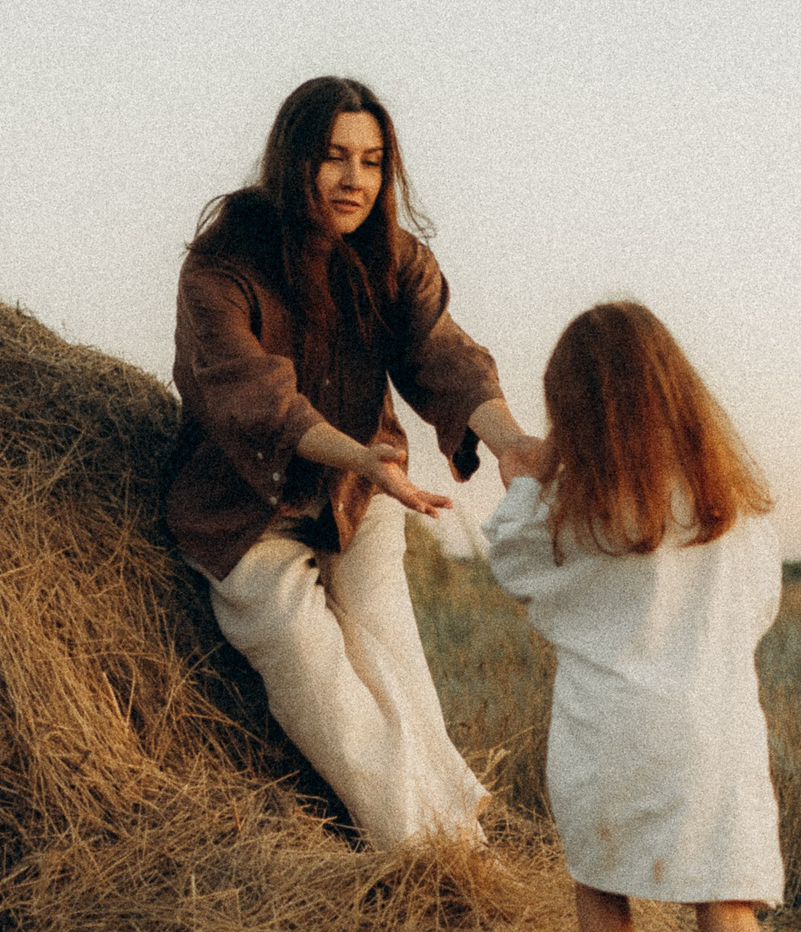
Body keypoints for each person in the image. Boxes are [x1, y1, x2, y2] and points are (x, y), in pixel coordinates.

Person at [169, 76, 544, 847]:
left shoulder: (392, 259)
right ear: (293, 159)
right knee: (317, 681)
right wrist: (361, 458)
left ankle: (461, 844)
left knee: (394, 662)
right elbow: (258, 397)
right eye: (334, 157)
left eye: (372, 161)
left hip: (361, 492)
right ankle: (425, 854)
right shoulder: (220, 266)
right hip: (246, 508)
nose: (354, 180)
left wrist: (509, 441)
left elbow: (442, 355)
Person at [480, 301, 800, 932]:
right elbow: (758, 608)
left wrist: (526, 478)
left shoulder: (578, 509)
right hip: (717, 731)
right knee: (730, 915)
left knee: (601, 882)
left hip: (613, 732)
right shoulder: (735, 508)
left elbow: (509, 554)